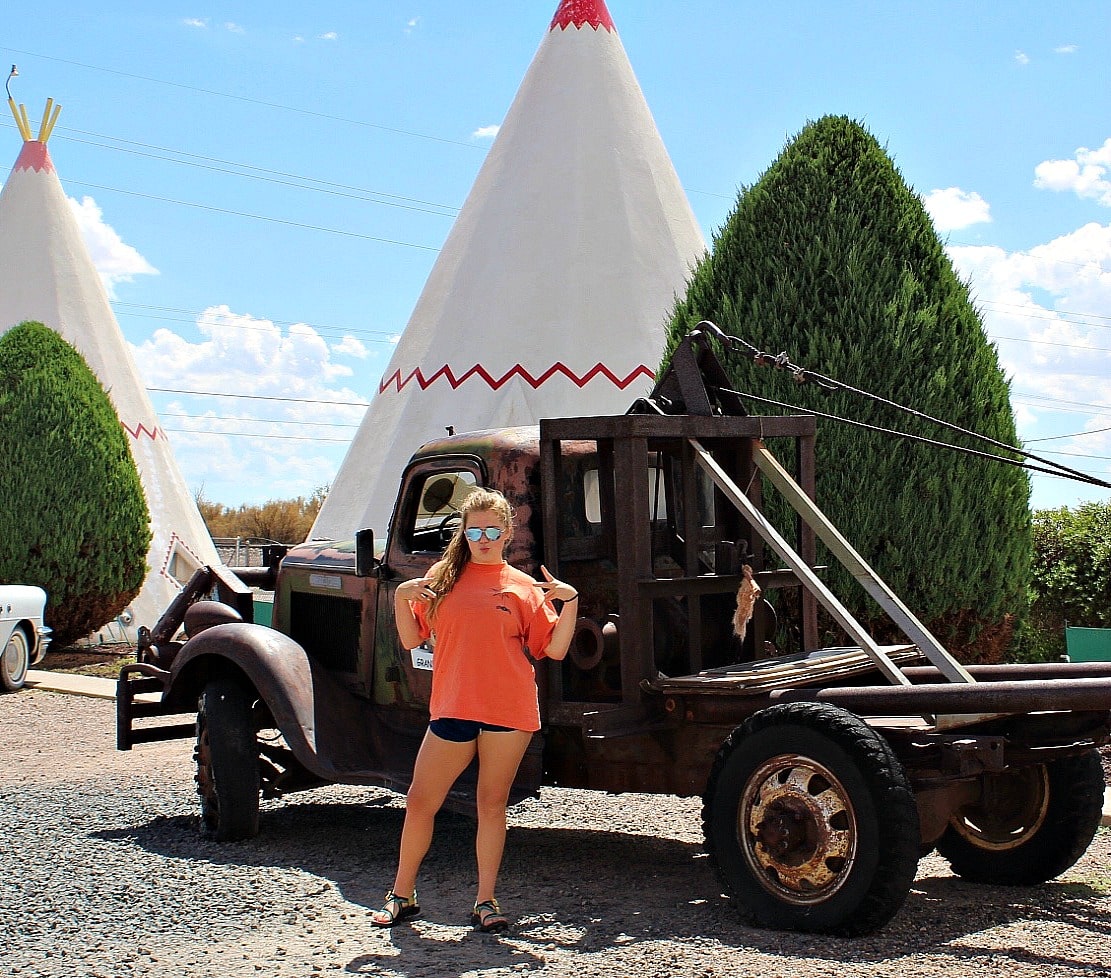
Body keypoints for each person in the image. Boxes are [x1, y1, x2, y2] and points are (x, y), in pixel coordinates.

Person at [371, 487, 578, 933]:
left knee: (491, 804)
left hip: (508, 712)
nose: (483, 538)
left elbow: (554, 650)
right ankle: (401, 895)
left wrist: (571, 602)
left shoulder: (522, 587)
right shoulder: (441, 581)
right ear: (464, 533)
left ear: (507, 534)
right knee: (421, 801)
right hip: (452, 707)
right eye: (474, 530)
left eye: (492, 530)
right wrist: (402, 595)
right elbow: (411, 640)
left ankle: (486, 902)